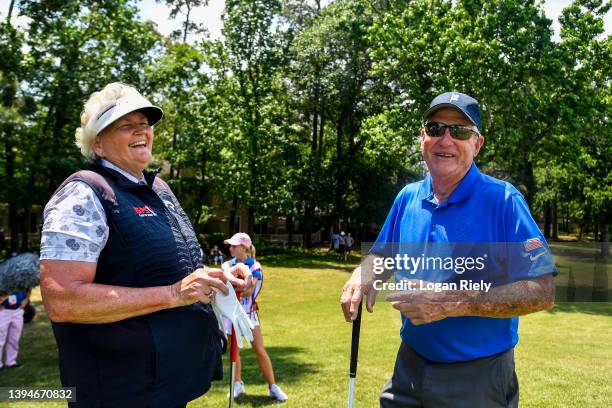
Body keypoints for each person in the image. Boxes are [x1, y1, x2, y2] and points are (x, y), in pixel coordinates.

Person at [340, 92, 556, 408]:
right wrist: (362, 274)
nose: (445, 139)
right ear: (422, 137)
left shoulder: (504, 202)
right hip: (408, 367)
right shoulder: (408, 197)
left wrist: (452, 301)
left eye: (459, 131)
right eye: (435, 127)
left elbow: (543, 291)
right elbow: (383, 254)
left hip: (478, 378)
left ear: (477, 144)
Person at [39, 82, 240, 407]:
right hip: (120, 391)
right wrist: (174, 294)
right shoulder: (83, 194)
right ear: (99, 144)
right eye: (126, 125)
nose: (142, 132)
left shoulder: (159, 188)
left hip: (171, 385)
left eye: (145, 124)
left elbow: (172, 270)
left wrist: (216, 281)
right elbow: (62, 300)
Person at [222, 232, 288, 402]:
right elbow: (228, 287)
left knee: (259, 350)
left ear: (244, 248)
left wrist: (234, 285)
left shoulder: (255, 267)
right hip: (232, 315)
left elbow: (248, 291)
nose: (230, 248)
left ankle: (273, 387)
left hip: (249, 314)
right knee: (234, 351)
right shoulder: (228, 265)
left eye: (234, 246)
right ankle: (237, 384)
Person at [0, 290, 29, 368]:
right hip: (3, 311)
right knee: (0, 339)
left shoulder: (21, 279)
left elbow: (28, 288)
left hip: (18, 311)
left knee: (14, 339)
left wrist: (26, 300)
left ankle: (11, 361)